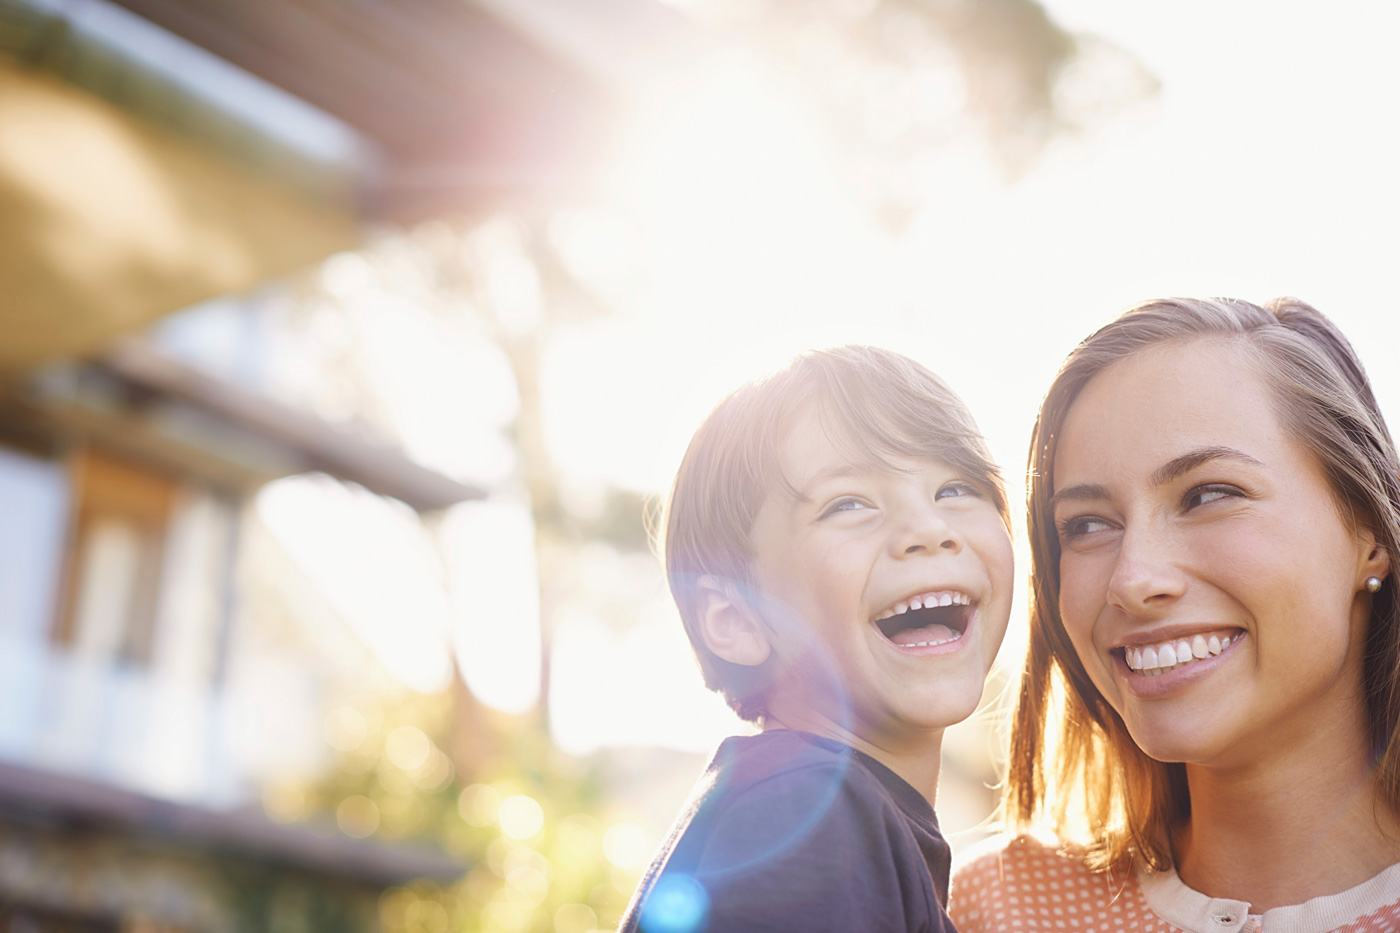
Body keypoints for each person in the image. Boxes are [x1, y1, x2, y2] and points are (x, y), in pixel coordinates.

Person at [951, 297, 1400, 932]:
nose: (1133, 580)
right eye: (1086, 525)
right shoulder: (997, 907)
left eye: (1209, 494)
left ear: (1367, 532)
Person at [619, 345, 1015, 933]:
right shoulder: (807, 816)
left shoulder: (821, 810)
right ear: (736, 619)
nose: (930, 529)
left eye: (955, 488)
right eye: (849, 503)